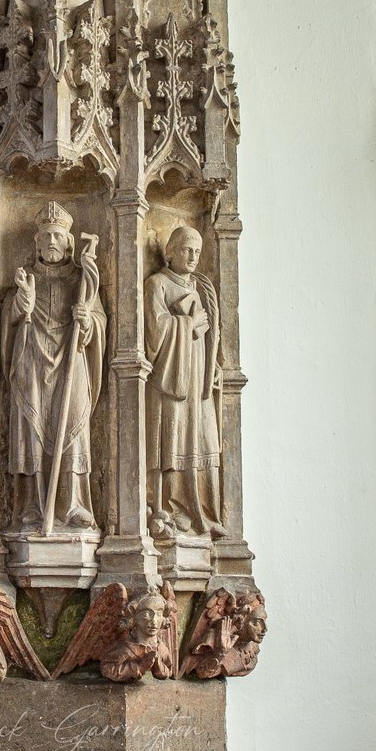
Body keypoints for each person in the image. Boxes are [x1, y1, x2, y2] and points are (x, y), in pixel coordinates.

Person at [1, 202, 105, 530]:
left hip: (71, 361)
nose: (51, 242)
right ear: (36, 244)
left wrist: (87, 321)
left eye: (58, 236)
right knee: (30, 432)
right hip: (31, 361)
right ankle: (31, 505)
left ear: (70, 243)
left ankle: (72, 504)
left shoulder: (82, 281)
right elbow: (8, 320)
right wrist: (21, 304)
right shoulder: (27, 278)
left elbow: (99, 323)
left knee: (73, 426)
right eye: (45, 236)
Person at [144, 224, 227, 540]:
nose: (192, 256)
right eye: (186, 249)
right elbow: (154, 332)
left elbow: (212, 335)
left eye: (197, 251)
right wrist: (187, 324)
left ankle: (201, 510)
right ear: (170, 252)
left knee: (201, 436)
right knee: (173, 438)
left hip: (198, 378)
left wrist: (214, 364)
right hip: (170, 379)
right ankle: (169, 507)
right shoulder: (158, 284)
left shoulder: (201, 286)